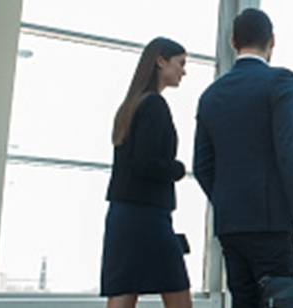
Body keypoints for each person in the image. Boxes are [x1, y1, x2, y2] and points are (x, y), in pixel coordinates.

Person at [193, 8, 293, 308]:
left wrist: (230, 200)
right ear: (272, 41)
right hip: (269, 224)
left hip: (230, 225)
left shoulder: (210, 95)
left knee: (243, 301)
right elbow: (288, 152)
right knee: (280, 301)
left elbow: (201, 166)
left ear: (232, 41)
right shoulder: (279, 81)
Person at [101, 37, 192, 308]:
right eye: (181, 63)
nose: (184, 71)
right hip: (147, 216)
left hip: (124, 215)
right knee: (178, 292)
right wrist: (178, 169)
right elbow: (146, 163)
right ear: (160, 61)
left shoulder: (130, 105)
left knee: (124, 290)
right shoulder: (154, 105)